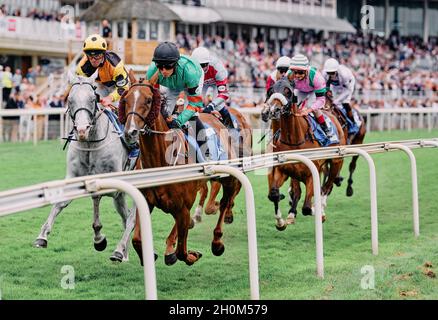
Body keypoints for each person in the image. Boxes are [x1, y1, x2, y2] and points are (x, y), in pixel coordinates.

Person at [76, 34, 137, 161]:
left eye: (97, 55)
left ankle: (132, 143)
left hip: (118, 87)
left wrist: (110, 98)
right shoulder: (82, 67)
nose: (94, 60)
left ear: (103, 54)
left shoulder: (115, 64)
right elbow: (81, 88)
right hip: (100, 85)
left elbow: (124, 88)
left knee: (119, 111)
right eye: (90, 56)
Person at [146, 41, 207, 143]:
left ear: (175, 64)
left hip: (189, 81)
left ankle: (206, 152)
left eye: (168, 66)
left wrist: (178, 122)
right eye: (160, 67)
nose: (163, 71)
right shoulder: (152, 71)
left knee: (192, 117)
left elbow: (195, 103)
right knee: (161, 115)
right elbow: (151, 97)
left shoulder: (190, 72)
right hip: (171, 84)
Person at [287, 53, 332, 137]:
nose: (297, 75)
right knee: (292, 107)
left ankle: (325, 128)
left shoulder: (317, 77)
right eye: (295, 72)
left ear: (306, 70)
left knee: (313, 108)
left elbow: (321, 100)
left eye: (300, 72)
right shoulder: (289, 75)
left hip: (313, 91)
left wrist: (308, 110)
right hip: (299, 90)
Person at [191, 47, 234, 129]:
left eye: (203, 65)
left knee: (219, 106)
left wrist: (212, 105)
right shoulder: (190, 68)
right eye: (198, 66)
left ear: (208, 63)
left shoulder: (217, 67)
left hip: (215, 82)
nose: (201, 69)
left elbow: (224, 94)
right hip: (202, 83)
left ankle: (232, 131)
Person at [323, 58, 356, 125]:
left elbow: (347, 90)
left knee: (345, 102)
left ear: (337, 71)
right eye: (328, 73)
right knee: (329, 102)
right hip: (335, 85)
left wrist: (337, 100)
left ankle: (353, 122)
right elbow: (325, 87)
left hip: (348, 86)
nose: (330, 75)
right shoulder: (324, 73)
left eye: (332, 73)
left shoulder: (344, 75)